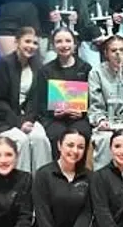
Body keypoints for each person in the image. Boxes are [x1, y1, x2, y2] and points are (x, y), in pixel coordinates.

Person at [0, 26, 52, 173]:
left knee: (40, 138)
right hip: (4, 120)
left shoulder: (38, 66)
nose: (31, 46)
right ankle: (23, 186)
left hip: (29, 119)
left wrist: (28, 120)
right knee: (21, 140)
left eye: (35, 43)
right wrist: (19, 122)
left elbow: (36, 100)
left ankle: (42, 184)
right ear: (17, 42)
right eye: (27, 41)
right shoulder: (3, 64)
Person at [33, 27, 92, 159]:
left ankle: (79, 172)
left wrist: (82, 112)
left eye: (68, 41)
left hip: (79, 118)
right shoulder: (45, 71)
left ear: (74, 44)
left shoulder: (86, 68)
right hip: (54, 118)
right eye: (59, 41)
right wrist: (53, 113)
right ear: (53, 46)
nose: (64, 45)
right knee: (57, 134)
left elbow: (91, 98)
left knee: (82, 133)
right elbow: (40, 101)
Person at [89, 36, 123, 170]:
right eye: (114, 51)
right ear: (106, 53)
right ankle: (102, 180)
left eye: (122, 50)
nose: (118, 54)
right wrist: (101, 120)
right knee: (106, 139)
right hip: (106, 123)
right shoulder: (96, 73)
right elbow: (95, 103)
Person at [33, 128, 92, 227]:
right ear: (59, 145)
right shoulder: (43, 174)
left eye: (80, 147)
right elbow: (42, 213)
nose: (75, 151)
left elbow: (86, 213)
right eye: (70, 145)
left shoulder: (90, 177)